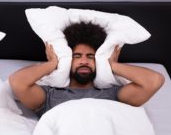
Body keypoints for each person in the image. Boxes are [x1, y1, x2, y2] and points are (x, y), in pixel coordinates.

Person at [9, 21, 165, 117]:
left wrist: (113, 65)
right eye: (77, 56)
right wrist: (52, 64)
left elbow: (154, 81)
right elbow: (17, 82)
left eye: (91, 57)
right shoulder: (50, 96)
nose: (84, 61)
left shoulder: (114, 94)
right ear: (68, 60)